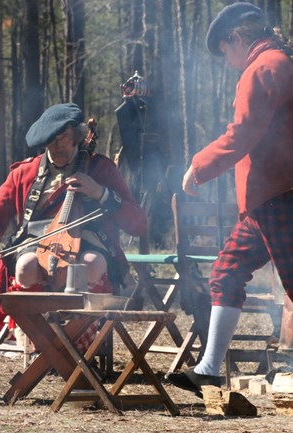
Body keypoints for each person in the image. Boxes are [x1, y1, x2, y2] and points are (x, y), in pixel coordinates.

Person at [165, 2, 293, 397]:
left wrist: (198, 166)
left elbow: (242, 134)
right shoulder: (279, 61)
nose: (226, 61)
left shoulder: (264, 67)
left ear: (237, 39)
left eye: (225, 51)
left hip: (279, 195)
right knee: (226, 271)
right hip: (267, 198)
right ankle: (207, 368)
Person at [0, 103, 147, 350]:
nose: (58, 146)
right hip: (34, 245)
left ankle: (80, 343)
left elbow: (138, 224)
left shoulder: (100, 168)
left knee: (90, 264)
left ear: (77, 136)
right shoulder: (24, 172)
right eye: (51, 140)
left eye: (64, 138)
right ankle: (42, 346)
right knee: (25, 267)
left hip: (89, 242)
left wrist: (100, 193)